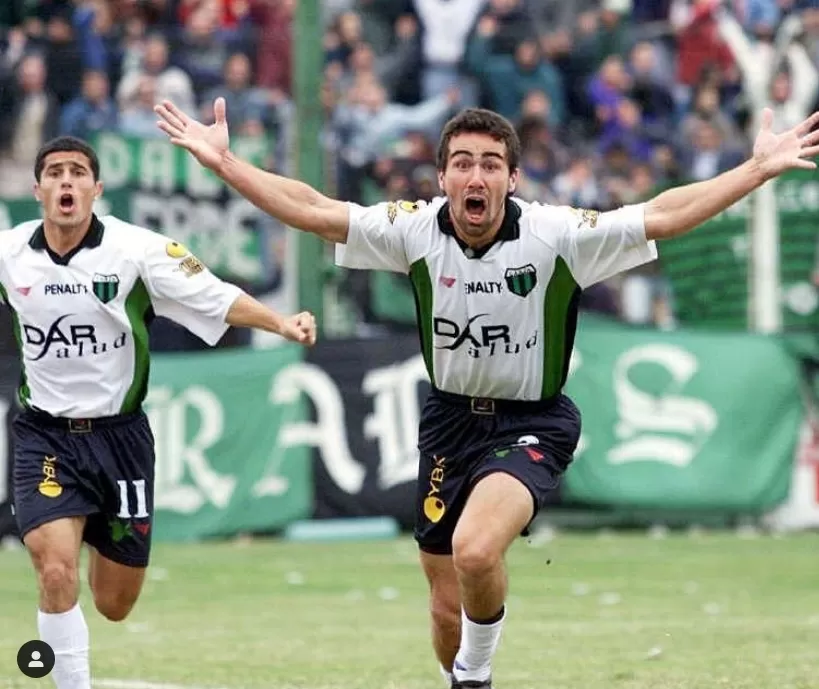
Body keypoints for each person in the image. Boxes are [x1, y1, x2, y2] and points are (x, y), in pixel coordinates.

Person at [154, 96, 819, 688]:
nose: (476, 176)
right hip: (447, 423)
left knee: (476, 549)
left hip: (532, 421)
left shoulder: (554, 235)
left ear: (511, 177)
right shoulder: (413, 228)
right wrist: (225, 164)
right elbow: (314, 209)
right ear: (441, 176)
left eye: (491, 164)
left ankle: (475, 674)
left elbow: (661, 215)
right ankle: (465, 673)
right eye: (463, 163)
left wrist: (753, 169)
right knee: (445, 607)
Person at [8, 135, 317, 689]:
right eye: (54, 173)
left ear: (96, 189)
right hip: (45, 436)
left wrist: (281, 322)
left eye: (78, 173)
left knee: (114, 603)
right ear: (37, 190)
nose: (66, 182)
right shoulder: (10, 254)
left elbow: (213, 295)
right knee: (53, 565)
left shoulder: (136, 251)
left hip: (120, 439)